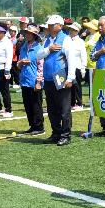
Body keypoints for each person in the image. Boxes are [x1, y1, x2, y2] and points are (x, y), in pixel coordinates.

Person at [37, 15, 77, 146]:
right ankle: (56, 132)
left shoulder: (66, 39)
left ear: (60, 26)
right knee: (51, 107)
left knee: (64, 107)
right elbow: (38, 55)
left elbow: (71, 60)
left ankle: (65, 135)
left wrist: (70, 78)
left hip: (60, 75)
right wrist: (49, 49)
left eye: (52, 25)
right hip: (48, 77)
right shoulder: (48, 40)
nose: (49, 26)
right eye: (49, 25)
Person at [66, 21, 87, 109]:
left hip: (77, 66)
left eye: (73, 30)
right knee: (69, 86)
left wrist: (83, 68)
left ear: (77, 31)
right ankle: (71, 103)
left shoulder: (80, 41)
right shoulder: (66, 39)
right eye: (70, 29)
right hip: (67, 66)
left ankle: (79, 103)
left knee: (77, 86)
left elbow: (84, 55)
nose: (71, 31)